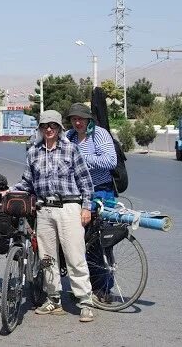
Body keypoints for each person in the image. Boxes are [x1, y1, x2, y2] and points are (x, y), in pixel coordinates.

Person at [10, 110, 96, 322]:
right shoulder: (33, 152)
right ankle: (53, 299)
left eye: (53, 125)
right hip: (44, 210)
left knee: (74, 255)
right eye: (45, 126)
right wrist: (10, 190)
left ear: (59, 128)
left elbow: (85, 182)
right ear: (40, 129)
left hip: (69, 207)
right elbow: (27, 182)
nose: (49, 129)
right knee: (47, 258)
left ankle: (85, 301)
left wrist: (86, 207)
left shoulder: (71, 149)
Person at [66, 102, 117, 303]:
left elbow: (110, 161)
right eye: (73, 119)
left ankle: (104, 288)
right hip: (77, 194)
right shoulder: (69, 136)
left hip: (102, 193)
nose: (77, 122)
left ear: (89, 120)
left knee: (102, 242)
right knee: (78, 241)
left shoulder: (99, 134)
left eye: (81, 119)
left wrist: (81, 157)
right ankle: (82, 286)